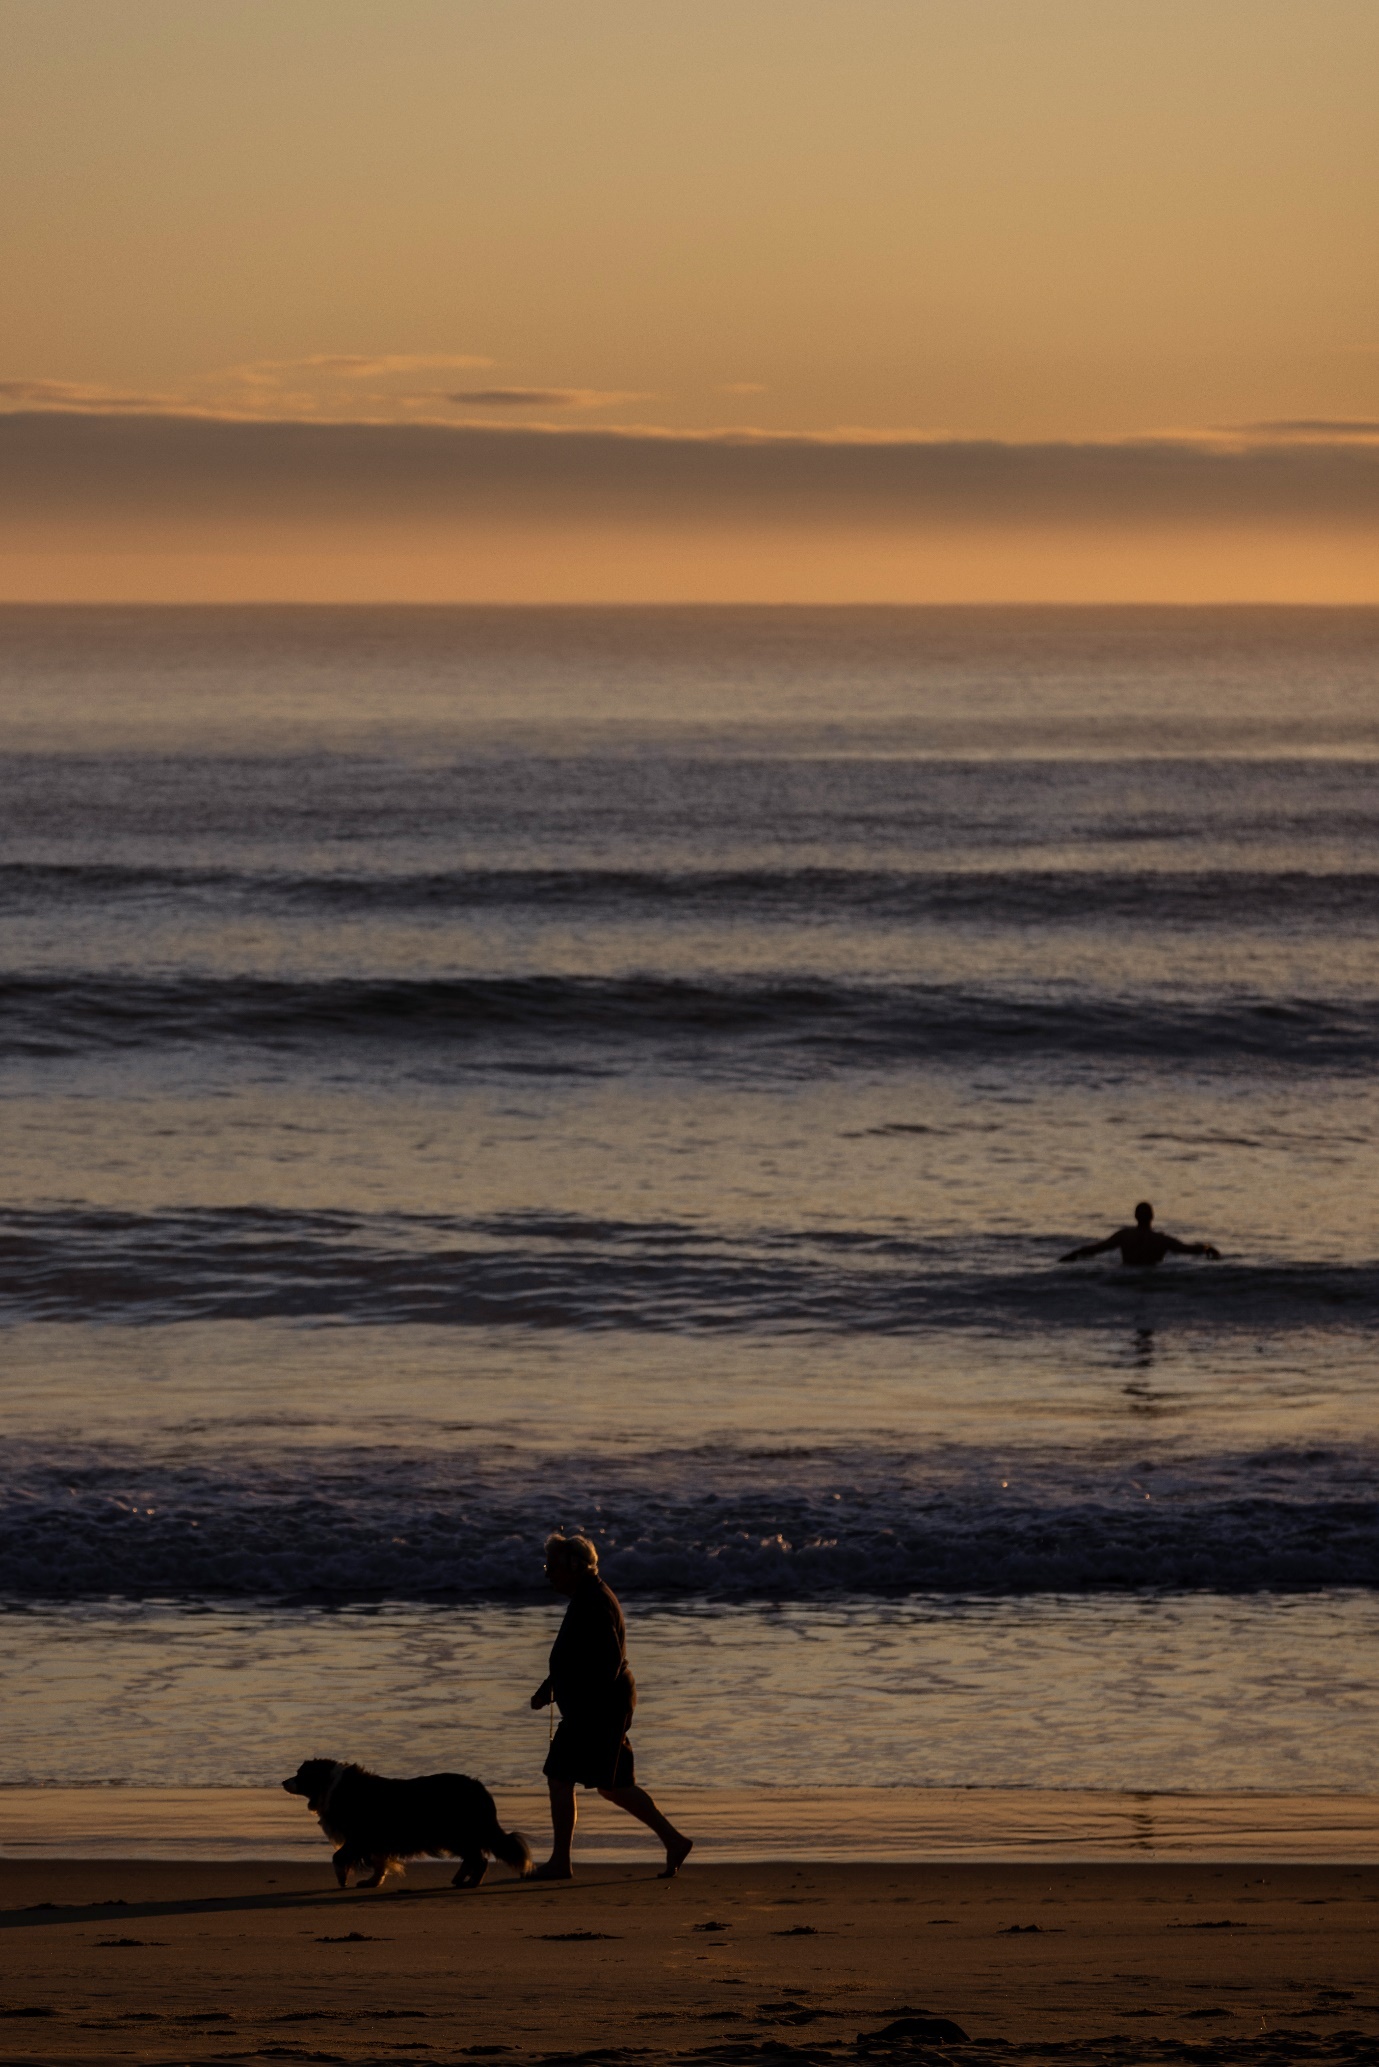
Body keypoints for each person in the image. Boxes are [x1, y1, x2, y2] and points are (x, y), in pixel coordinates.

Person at [529, 1532, 692, 1881]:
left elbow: (609, 1662)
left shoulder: (594, 1602)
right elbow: (571, 1659)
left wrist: (585, 1707)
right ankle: (674, 1840)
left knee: (562, 1778)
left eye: (553, 1567)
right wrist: (550, 1690)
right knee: (612, 1785)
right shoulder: (586, 1597)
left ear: (575, 1567)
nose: (548, 1574)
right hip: (597, 1708)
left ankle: (560, 1862)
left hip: (598, 1709)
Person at [1061, 1200, 1220, 1267]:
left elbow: (1097, 1249)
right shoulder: (1162, 1240)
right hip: (1152, 1278)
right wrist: (1208, 1248)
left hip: (1127, 1277)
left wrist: (1075, 1253)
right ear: (1152, 1217)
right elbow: (1189, 1249)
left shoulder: (1124, 1236)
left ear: (1135, 1216)